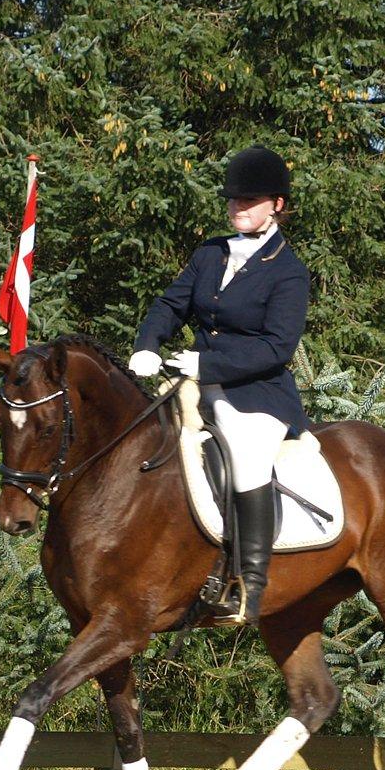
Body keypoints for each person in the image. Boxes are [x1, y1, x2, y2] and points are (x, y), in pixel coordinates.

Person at [129, 146, 310, 624]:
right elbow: (171, 304)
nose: (238, 208)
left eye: (249, 201)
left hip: (257, 392)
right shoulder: (211, 252)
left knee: (247, 459)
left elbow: (276, 348)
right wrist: (149, 343)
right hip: (190, 378)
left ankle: (248, 587)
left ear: (276, 204)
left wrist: (208, 366)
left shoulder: (288, 271)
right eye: (233, 200)